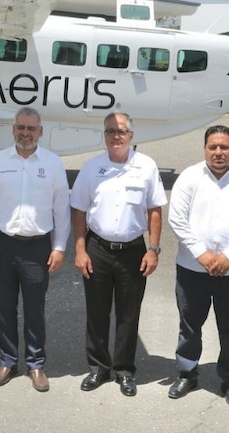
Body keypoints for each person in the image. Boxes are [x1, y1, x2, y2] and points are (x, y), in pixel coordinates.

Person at [166, 125, 229, 407]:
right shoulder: (189, 177)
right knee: (189, 325)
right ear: (205, 149)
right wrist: (202, 254)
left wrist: (228, 257)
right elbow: (177, 220)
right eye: (213, 147)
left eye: (224, 147)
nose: (218, 152)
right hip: (192, 268)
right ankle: (187, 373)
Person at [70, 112, 167, 397]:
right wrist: (80, 249)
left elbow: (155, 210)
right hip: (97, 249)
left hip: (133, 251)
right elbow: (79, 210)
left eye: (121, 131)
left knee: (128, 314)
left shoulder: (146, 166)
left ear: (131, 136)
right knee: (97, 312)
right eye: (110, 131)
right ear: (104, 136)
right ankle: (98, 368)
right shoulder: (92, 167)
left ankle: (124, 371)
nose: (116, 136)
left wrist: (153, 249)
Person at [0, 107, 70, 393]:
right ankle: (7, 361)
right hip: (3, 243)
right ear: (13, 130)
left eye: (31, 128)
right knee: (4, 307)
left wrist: (59, 247)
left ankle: (35, 363)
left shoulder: (53, 163)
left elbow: (61, 209)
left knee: (34, 308)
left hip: (37, 247)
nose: (25, 133)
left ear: (40, 132)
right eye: (21, 128)